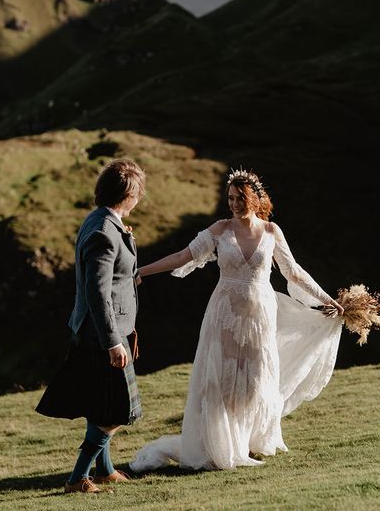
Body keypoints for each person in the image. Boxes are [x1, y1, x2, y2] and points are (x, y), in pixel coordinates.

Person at [130, 168, 344, 472]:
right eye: (230, 198)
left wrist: (326, 299)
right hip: (225, 314)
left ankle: (244, 441)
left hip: (260, 315)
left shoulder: (271, 232)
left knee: (254, 382)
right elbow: (182, 256)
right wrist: (142, 272)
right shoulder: (220, 229)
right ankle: (220, 446)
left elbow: (293, 272)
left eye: (240, 198)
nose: (234, 203)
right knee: (224, 380)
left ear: (255, 199)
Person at [36, 158, 146, 493]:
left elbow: (109, 278)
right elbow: (97, 292)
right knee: (116, 410)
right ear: (128, 196)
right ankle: (76, 479)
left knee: (100, 403)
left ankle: (105, 469)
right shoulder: (104, 232)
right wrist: (112, 341)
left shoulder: (100, 220)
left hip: (97, 328)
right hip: (102, 333)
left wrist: (130, 278)